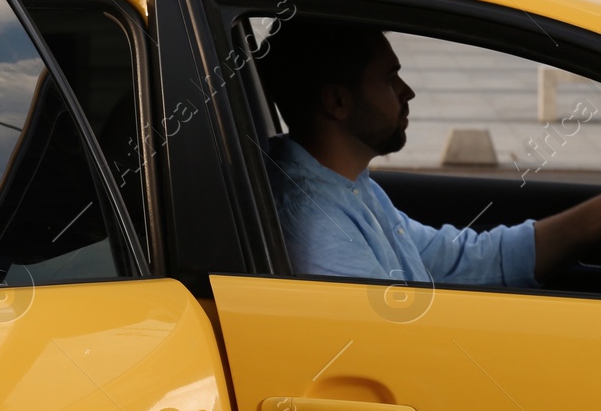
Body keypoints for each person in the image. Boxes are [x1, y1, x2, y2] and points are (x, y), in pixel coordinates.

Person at [255, 19, 601, 288]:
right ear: (338, 102)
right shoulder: (318, 224)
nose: (408, 92)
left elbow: (456, 259)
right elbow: (386, 343)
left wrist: (587, 223)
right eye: (391, 79)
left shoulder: (348, 187)